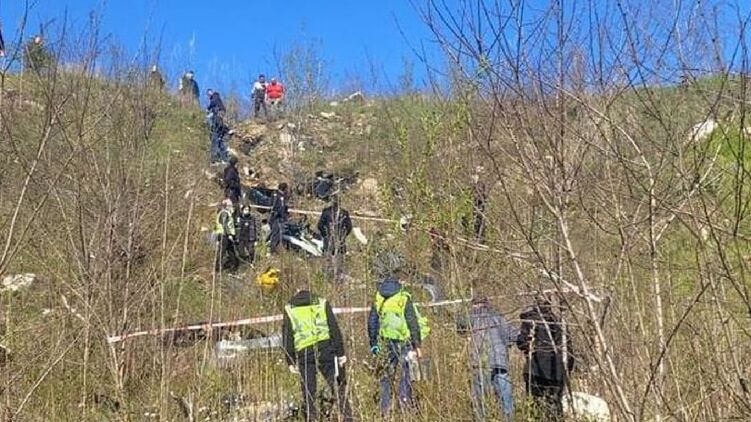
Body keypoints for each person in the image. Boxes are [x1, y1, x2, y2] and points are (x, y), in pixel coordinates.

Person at [283, 288, 353, 422]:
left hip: (304, 353)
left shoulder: (289, 308)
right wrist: (340, 352)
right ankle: (348, 418)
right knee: (337, 387)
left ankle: (312, 418)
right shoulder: (321, 302)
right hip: (325, 349)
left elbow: (287, 336)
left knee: (309, 392)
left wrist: (290, 360)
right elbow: (334, 328)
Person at [368, 276, 422, 416]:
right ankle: (404, 406)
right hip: (405, 342)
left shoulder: (378, 298)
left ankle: (384, 409)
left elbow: (372, 322)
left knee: (386, 376)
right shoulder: (403, 298)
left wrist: (373, 343)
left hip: (386, 342)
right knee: (406, 374)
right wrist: (417, 344)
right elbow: (412, 322)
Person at [457, 297, 518, 421]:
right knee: (505, 398)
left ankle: (482, 419)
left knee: (481, 399)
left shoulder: (472, 317)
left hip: (480, 362)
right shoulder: (499, 317)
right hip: (500, 361)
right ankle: (509, 419)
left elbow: (460, 328)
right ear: (487, 304)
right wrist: (505, 347)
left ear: (474, 305)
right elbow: (513, 336)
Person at [517, 295, 574, 421]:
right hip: (556, 372)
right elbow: (569, 350)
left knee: (535, 406)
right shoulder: (559, 321)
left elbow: (521, 343)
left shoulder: (530, 321)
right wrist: (567, 370)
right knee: (555, 406)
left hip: (536, 370)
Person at [317, 196, 352, 281]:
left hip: (331, 241)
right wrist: (342, 236)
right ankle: (335, 278)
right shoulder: (343, 213)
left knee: (330, 261)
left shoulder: (327, 212)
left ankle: (330, 277)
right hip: (338, 241)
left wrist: (325, 235)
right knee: (337, 261)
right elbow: (349, 227)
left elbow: (320, 225)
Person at [214, 199, 238, 273]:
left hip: (225, 235)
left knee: (231, 251)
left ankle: (234, 266)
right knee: (222, 251)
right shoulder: (224, 213)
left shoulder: (225, 212)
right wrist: (229, 234)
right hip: (224, 235)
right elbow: (225, 225)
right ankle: (217, 267)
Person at [268, 183, 289, 253]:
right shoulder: (276, 195)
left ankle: (277, 249)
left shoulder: (283, 196)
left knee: (279, 234)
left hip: (281, 218)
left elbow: (283, 207)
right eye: (286, 188)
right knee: (275, 234)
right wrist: (275, 212)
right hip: (275, 218)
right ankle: (272, 250)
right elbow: (273, 206)